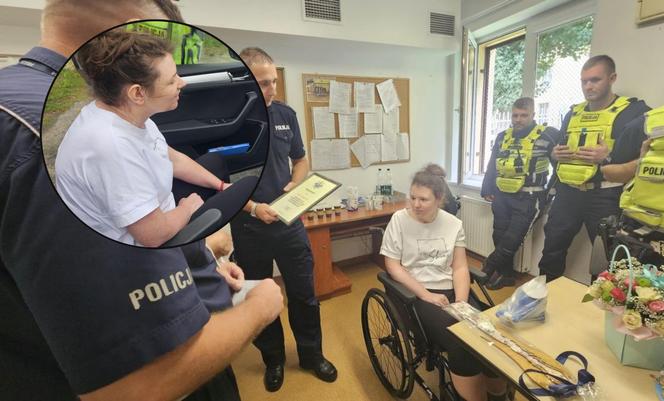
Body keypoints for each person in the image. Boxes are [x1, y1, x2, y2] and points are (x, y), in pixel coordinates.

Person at [0, 2, 283, 400]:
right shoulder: (50, 135)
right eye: (169, 72)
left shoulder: (100, 105)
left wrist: (202, 266)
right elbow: (137, 386)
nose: (180, 82)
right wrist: (262, 304)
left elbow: (166, 158)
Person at [55, 28, 256, 247]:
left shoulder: (129, 115)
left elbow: (173, 159)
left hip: (156, 208)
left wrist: (219, 186)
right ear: (138, 93)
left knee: (215, 164)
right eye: (171, 81)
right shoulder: (111, 146)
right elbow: (152, 236)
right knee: (247, 185)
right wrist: (187, 208)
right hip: (142, 246)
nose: (182, 83)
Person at [230, 47, 337, 392]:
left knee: (304, 293)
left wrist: (297, 182)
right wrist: (252, 208)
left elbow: (301, 159)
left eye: (273, 81)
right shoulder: (227, 123)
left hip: (288, 224)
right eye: (263, 83)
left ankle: (311, 355)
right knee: (261, 297)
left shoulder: (286, 115)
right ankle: (273, 359)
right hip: (248, 227)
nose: (272, 89)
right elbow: (219, 184)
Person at [381, 164, 507, 401]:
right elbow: (393, 266)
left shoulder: (453, 224)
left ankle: (497, 393)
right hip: (415, 294)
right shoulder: (399, 220)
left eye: (424, 199)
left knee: (491, 332)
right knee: (462, 340)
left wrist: (460, 302)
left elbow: (459, 266)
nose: (416, 204)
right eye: (413, 197)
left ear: (439, 199)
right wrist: (426, 295)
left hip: (452, 290)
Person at [537, 55, 650, 281]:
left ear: (612, 78)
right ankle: (541, 298)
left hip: (605, 194)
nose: (588, 86)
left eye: (595, 80)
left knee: (607, 257)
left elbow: (648, 156)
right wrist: (555, 154)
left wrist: (608, 156)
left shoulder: (634, 112)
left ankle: (600, 312)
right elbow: (558, 148)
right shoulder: (573, 112)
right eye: (584, 81)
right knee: (552, 249)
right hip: (568, 193)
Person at [481, 97, 560, 289]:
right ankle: (505, 275)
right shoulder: (502, 136)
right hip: (502, 194)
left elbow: (559, 167)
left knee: (512, 239)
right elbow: (493, 163)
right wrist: (487, 187)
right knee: (498, 236)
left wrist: (549, 194)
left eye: (523, 115)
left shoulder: (549, 135)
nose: (518, 119)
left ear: (533, 115)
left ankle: (486, 269)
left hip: (529, 197)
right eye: (515, 115)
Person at [600, 106, 664, 266]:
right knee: (621, 289)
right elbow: (609, 172)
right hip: (640, 236)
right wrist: (643, 163)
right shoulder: (647, 123)